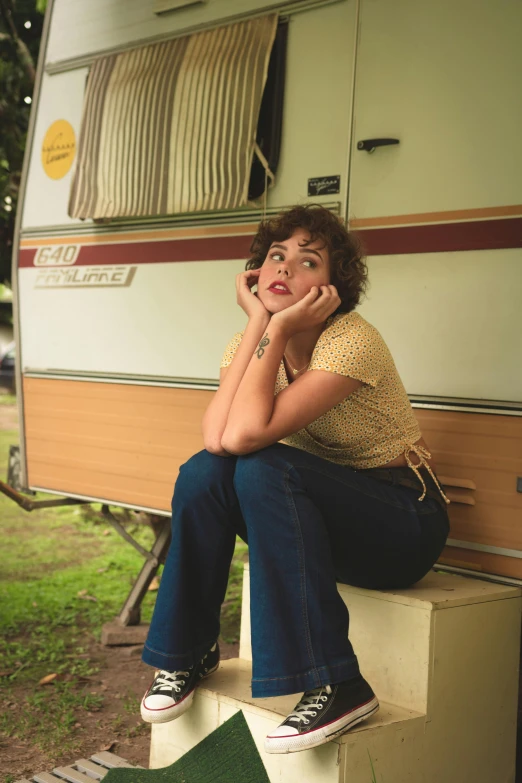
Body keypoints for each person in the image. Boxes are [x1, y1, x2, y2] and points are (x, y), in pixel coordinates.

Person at [139, 204, 450, 754]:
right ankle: (187, 653)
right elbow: (217, 440)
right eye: (276, 256)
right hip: (328, 522)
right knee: (203, 472)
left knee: (263, 466)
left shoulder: (352, 340)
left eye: (308, 262)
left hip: (404, 524)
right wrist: (263, 325)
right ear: (256, 271)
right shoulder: (249, 343)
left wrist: (276, 324)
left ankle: (337, 684)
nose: (285, 269)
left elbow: (248, 435)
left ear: (333, 287)